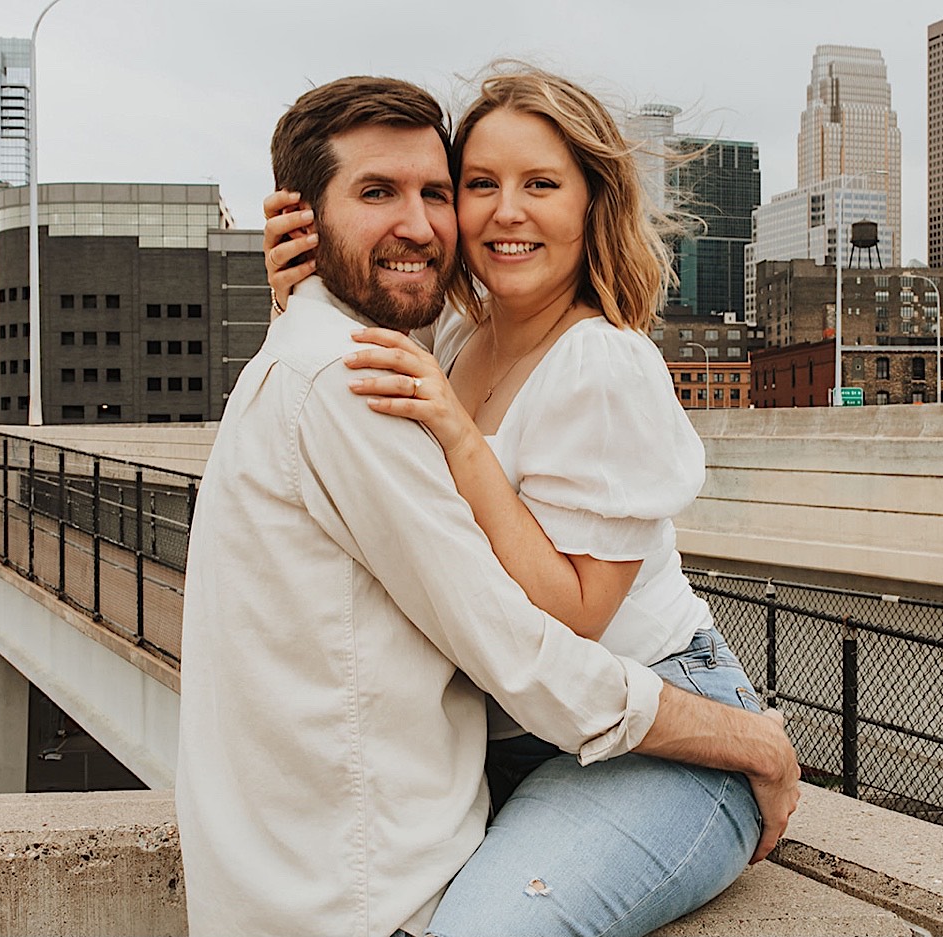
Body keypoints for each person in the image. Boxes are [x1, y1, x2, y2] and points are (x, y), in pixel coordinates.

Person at [178, 75, 798, 937]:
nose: (503, 211)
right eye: (477, 185)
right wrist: (304, 294)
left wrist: (751, 741)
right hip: (537, 735)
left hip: (667, 729)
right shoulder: (453, 340)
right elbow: (342, 369)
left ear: (592, 206)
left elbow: (568, 622)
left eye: (541, 184)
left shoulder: (602, 364)